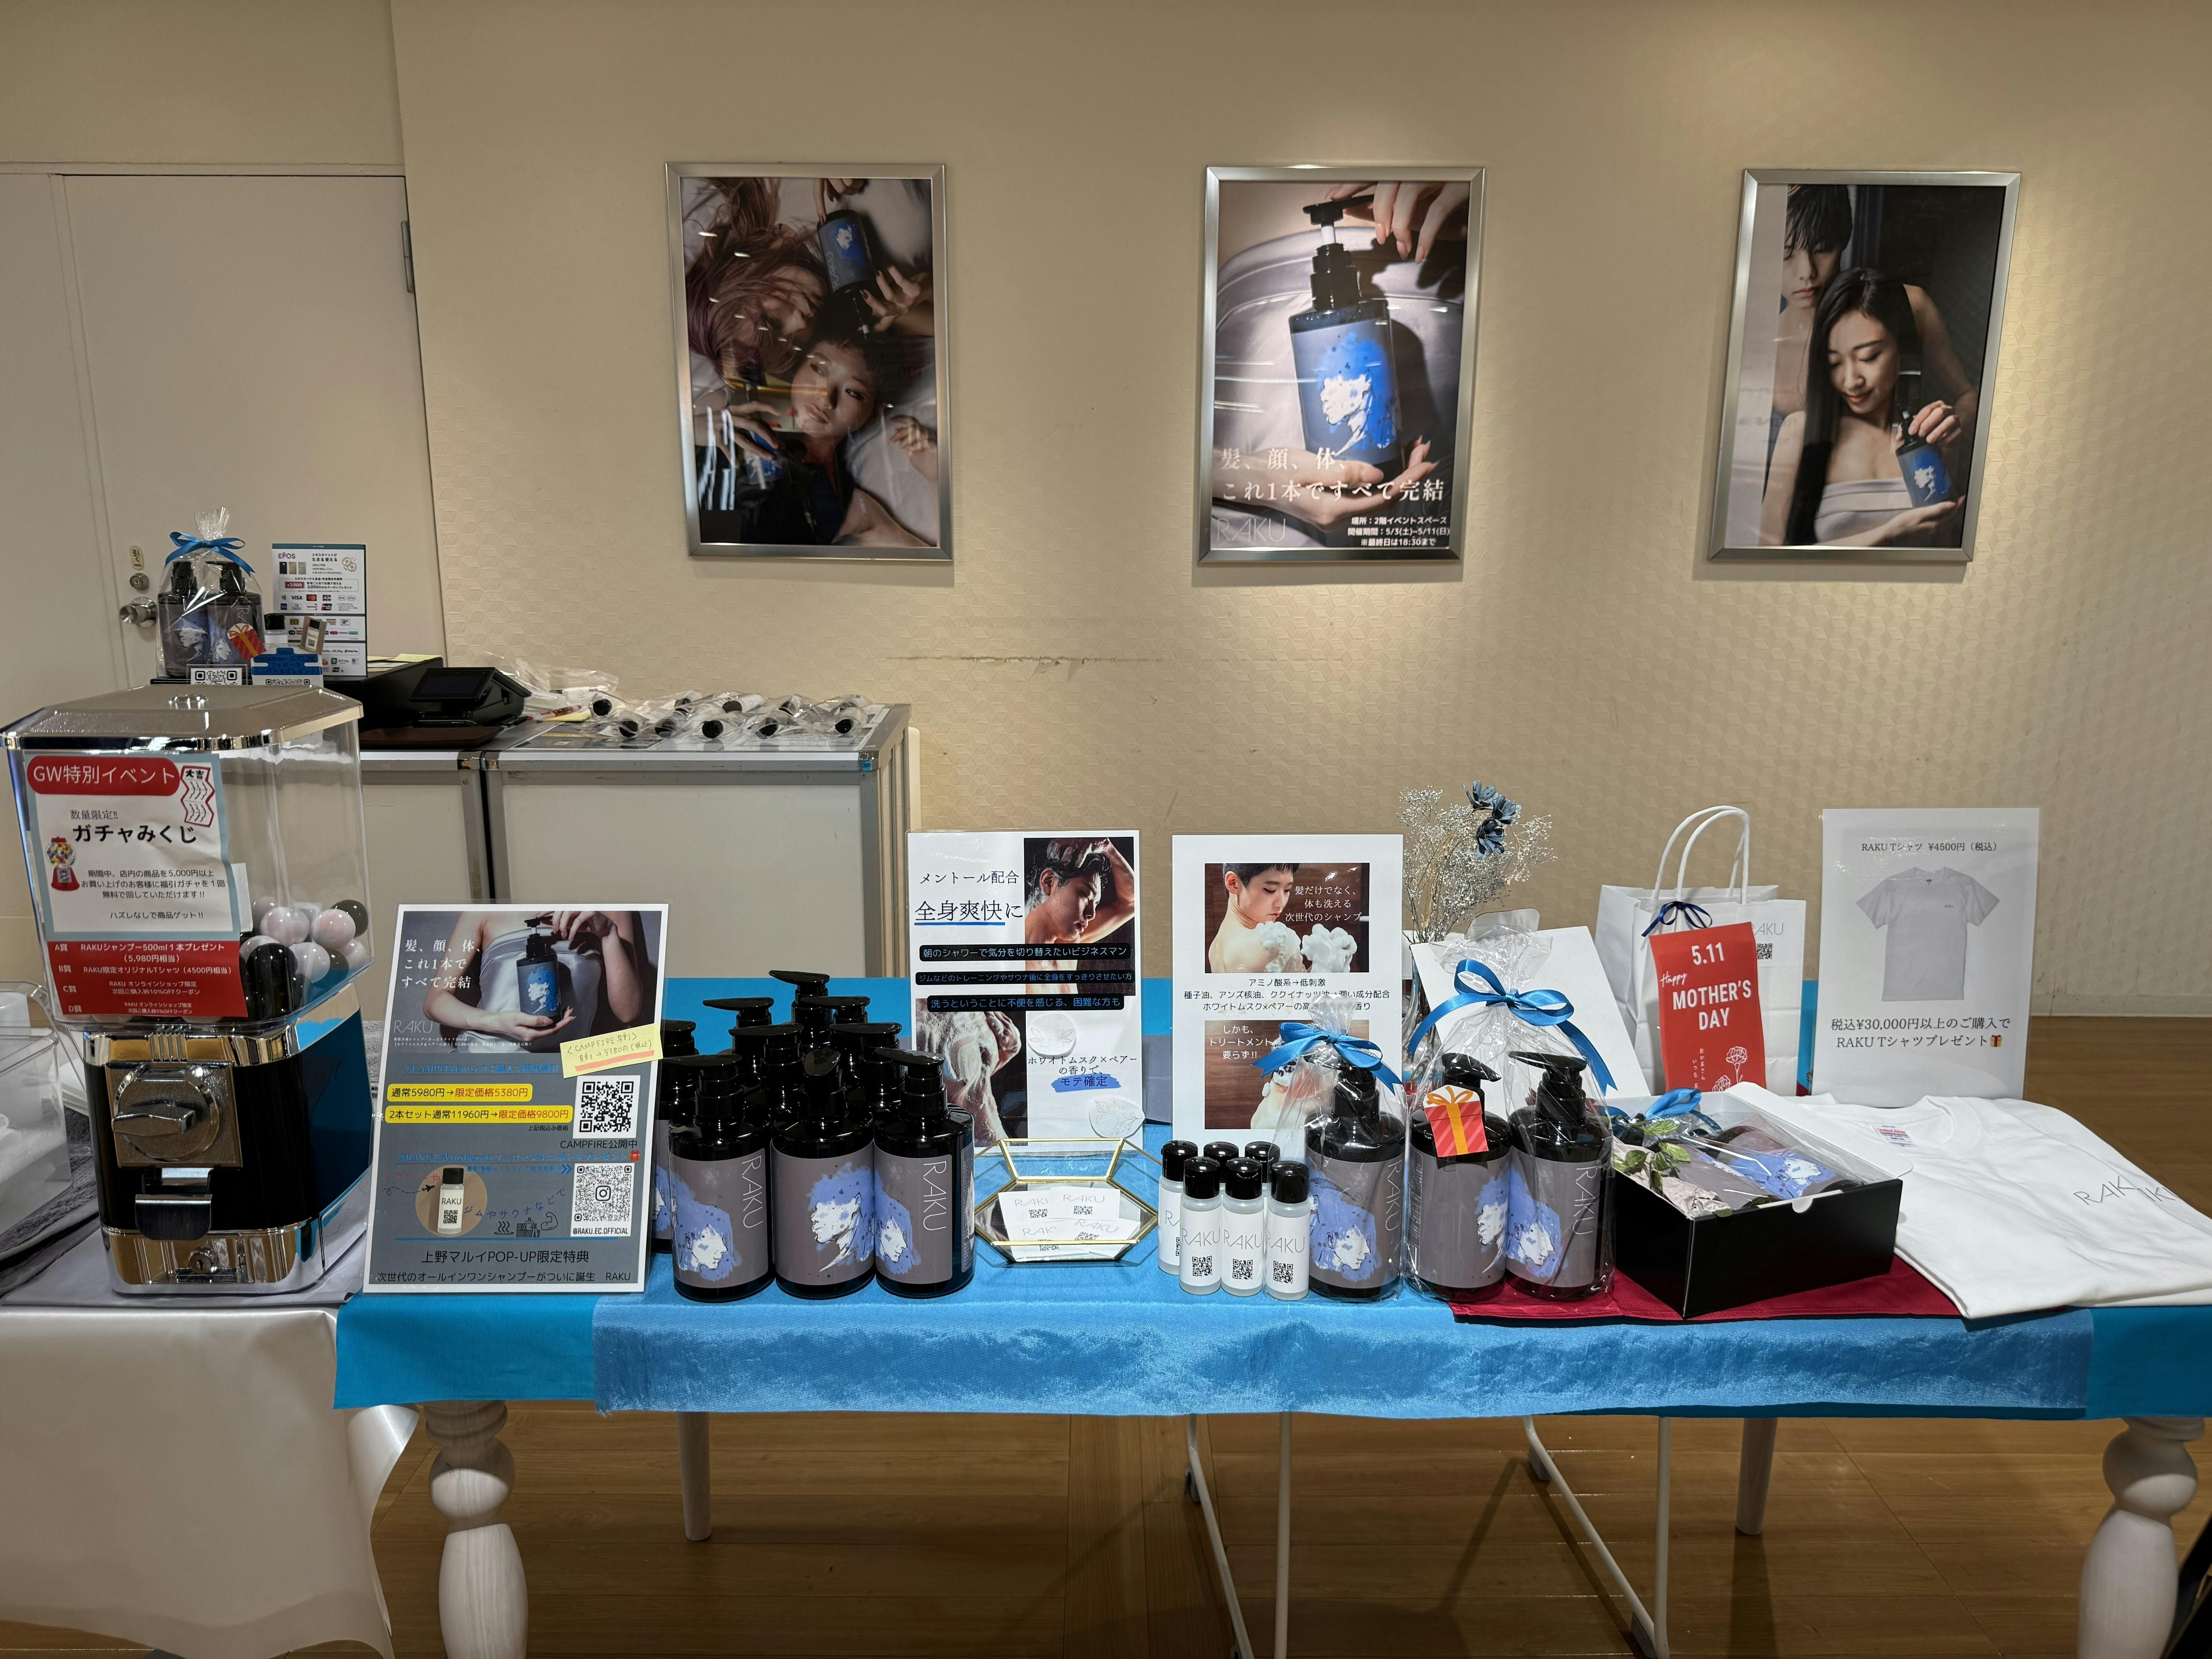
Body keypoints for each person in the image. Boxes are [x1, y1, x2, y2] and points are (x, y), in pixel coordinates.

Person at [1762, 270, 1968, 548]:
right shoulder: (1801, 431)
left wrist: (1950, 457)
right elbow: (1766, 554)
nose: (1851, 382)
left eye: (1869, 357)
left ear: (1901, 349)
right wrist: (1890, 534)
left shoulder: (1926, 435)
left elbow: (1943, 548)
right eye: (1835, 363)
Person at [703, 323, 930, 547]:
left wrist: (936, 474)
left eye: (852, 392)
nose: (826, 397)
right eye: (818, 369)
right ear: (798, 370)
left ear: (873, 415)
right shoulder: (739, 441)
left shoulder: (859, 487)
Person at [422, 909, 655, 1051]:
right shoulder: (484, 911)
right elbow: (435, 1002)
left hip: (565, 1070)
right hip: (487, 1062)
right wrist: (497, 1023)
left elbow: (629, 1012)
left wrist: (608, 935)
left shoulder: (610, 910)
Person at [1024, 838, 1137, 946]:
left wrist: (1108, 848)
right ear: (1049, 882)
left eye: (1095, 904)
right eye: (1086, 896)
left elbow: (1132, 904)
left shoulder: (1068, 946)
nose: (1092, 915)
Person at [1209, 864, 1308, 974]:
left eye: (1287, 890)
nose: (1282, 903)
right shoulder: (1274, 942)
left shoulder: (1216, 947)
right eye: (1270, 890)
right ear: (1234, 883)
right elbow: (1301, 984)